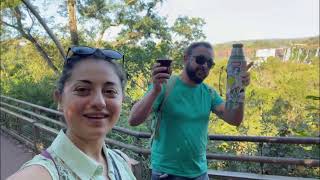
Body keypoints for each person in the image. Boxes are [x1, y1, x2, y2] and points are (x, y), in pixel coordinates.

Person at [7, 46, 136, 180]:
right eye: (82, 89)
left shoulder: (122, 162)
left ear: (122, 99)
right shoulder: (38, 175)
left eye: (110, 91)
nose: (100, 102)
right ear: (60, 99)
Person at [128, 42, 252, 179]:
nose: (204, 65)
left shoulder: (209, 93)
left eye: (210, 63)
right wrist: (155, 91)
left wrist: (239, 89)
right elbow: (133, 120)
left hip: (200, 173)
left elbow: (234, 119)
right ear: (185, 58)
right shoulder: (164, 86)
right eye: (200, 59)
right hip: (167, 173)